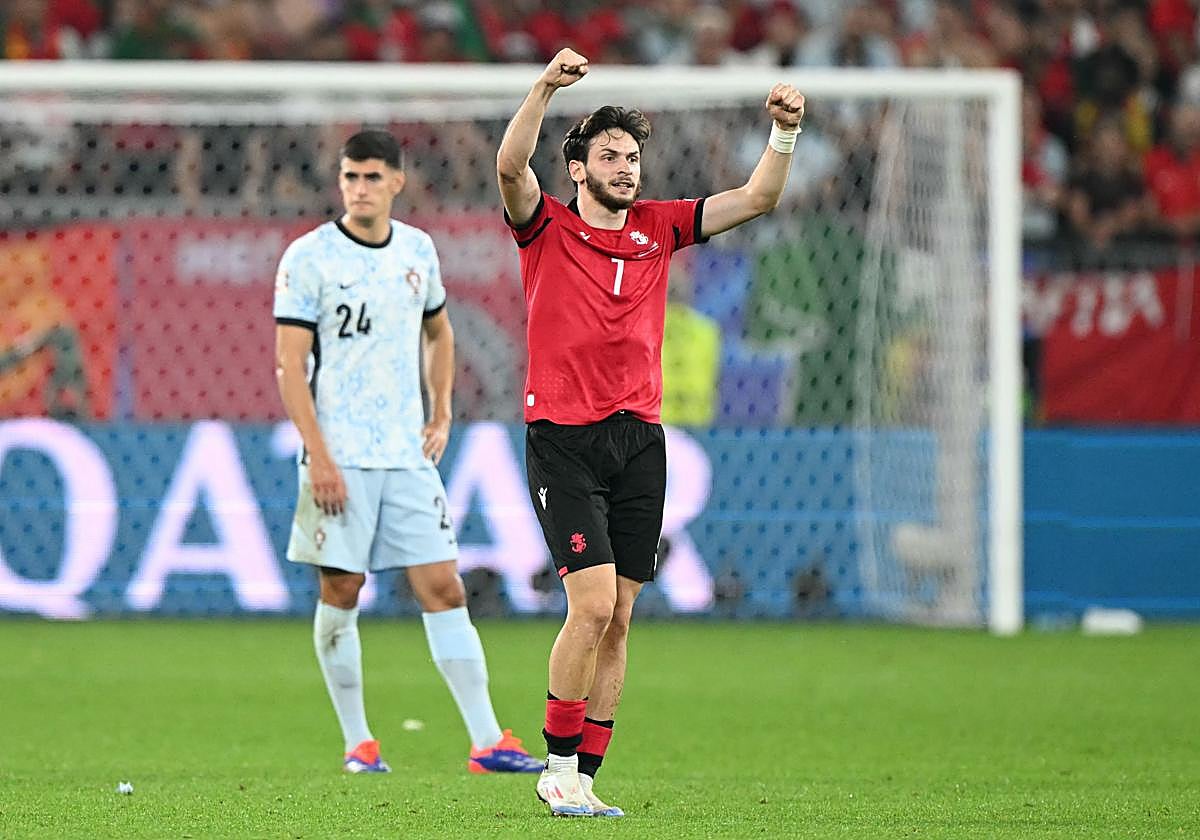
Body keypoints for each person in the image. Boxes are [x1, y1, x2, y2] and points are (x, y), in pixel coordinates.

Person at [496, 48, 803, 816]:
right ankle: (555, 766)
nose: (626, 168)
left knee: (623, 615)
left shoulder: (660, 229)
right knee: (591, 605)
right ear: (577, 167)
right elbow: (508, 167)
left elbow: (759, 197)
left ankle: (586, 782)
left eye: (633, 157)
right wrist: (543, 88)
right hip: (562, 437)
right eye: (609, 156)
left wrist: (786, 133)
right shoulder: (546, 228)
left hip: (640, 441)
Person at [273, 129, 542, 776]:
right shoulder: (308, 258)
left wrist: (442, 408)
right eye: (350, 178)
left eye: (371, 177)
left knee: (443, 587)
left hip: (404, 454)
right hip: (338, 454)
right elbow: (290, 366)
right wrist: (320, 456)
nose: (359, 189)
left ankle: (487, 742)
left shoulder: (417, 250)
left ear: (398, 181)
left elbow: (439, 333)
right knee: (342, 587)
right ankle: (358, 743)